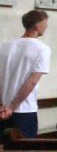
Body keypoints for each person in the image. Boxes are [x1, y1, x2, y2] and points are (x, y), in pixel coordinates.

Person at [0, 9, 51, 138]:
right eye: (45, 23)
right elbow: (32, 82)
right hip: (24, 110)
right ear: (37, 26)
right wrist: (11, 107)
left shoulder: (5, 46)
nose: (47, 26)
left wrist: (3, 105)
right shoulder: (42, 49)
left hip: (2, 110)